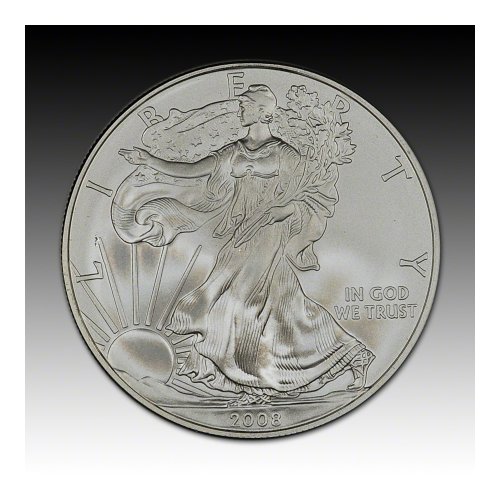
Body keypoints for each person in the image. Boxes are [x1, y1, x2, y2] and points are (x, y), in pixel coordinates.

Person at [117, 84, 374, 405]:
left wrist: (284, 210)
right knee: (288, 307)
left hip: (269, 234)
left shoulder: (284, 154)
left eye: (245, 105)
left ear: (263, 111)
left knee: (239, 302)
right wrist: (150, 160)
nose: (239, 110)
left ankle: (255, 384)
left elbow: (311, 194)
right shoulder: (233, 152)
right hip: (241, 235)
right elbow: (192, 172)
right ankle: (350, 355)